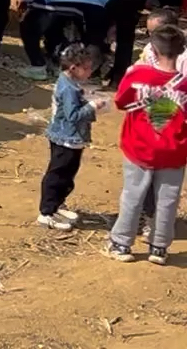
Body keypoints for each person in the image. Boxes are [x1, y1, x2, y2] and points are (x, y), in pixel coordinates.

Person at [107, 25, 187, 263]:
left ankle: (121, 243)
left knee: (133, 195)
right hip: (174, 149)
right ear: (181, 50)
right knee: (168, 199)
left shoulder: (137, 74)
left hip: (139, 146)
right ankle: (159, 247)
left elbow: (121, 102)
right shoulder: (184, 83)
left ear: (152, 48)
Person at [39, 44, 107, 232]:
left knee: (67, 174)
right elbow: (73, 116)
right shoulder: (69, 89)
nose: (89, 72)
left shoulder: (68, 82)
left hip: (68, 137)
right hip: (66, 137)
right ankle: (47, 212)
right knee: (58, 174)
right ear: (73, 68)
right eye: (86, 68)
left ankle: (58, 205)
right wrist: (92, 106)